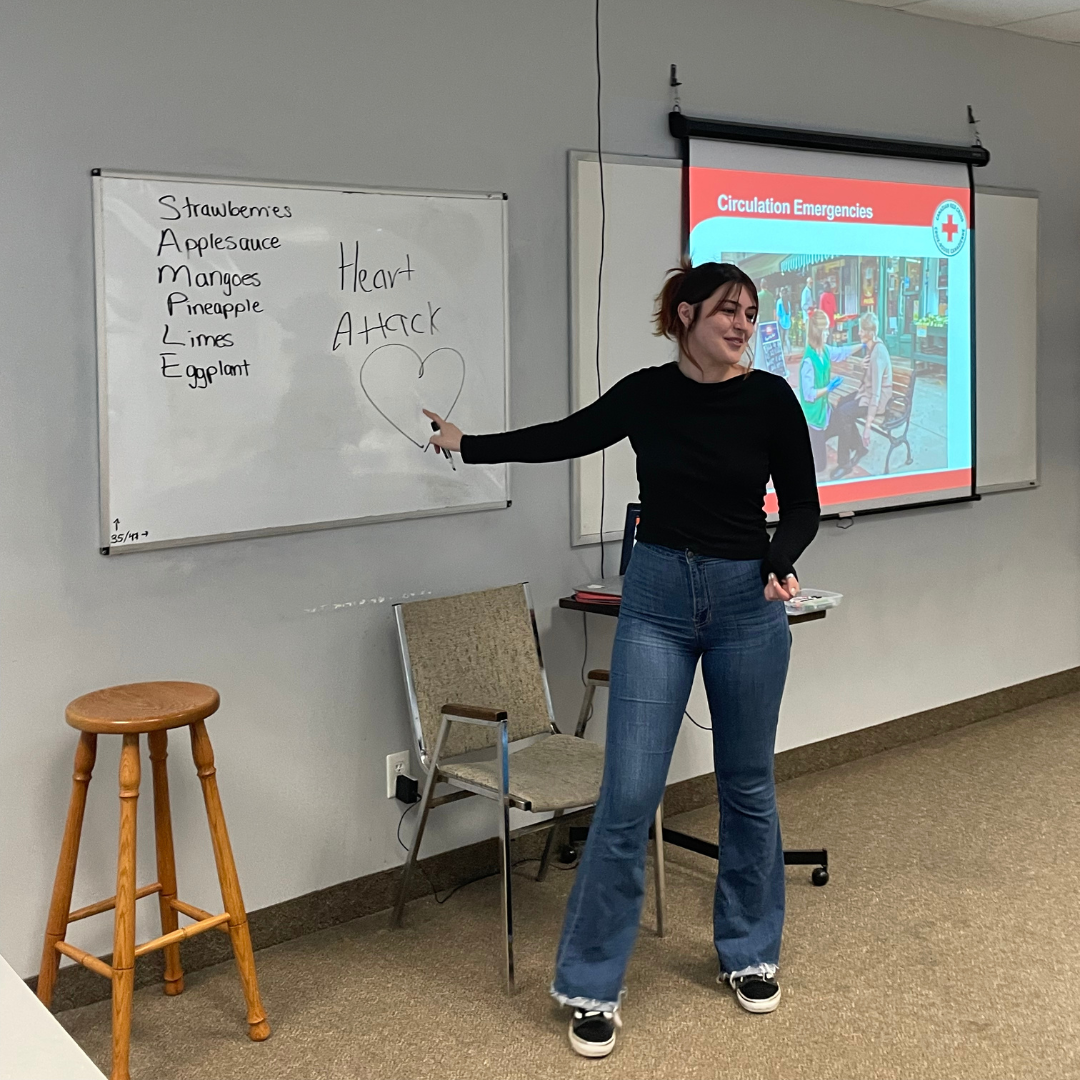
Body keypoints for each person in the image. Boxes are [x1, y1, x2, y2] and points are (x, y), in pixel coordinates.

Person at [426, 261, 820, 1058]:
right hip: (660, 599)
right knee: (627, 794)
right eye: (726, 312)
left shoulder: (771, 398)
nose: (743, 325)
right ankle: (592, 983)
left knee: (747, 785)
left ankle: (748, 952)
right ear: (683, 316)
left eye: (750, 313)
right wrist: (470, 446)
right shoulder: (646, 393)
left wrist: (781, 558)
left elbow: (803, 504)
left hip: (749, 602)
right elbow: (565, 436)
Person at [830, 311, 893, 480]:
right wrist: (862, 367)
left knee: (844, 413)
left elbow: (876, 392)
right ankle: (858, 446)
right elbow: (867, 381)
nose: (859, 332)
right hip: (866, 393)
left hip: (875, 401)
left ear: (871, 332)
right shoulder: (870, 349)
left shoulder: (878, 353)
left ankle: (844, 463)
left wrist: (867, 427)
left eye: (862, 330)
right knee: (841, 403)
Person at [798, 309, 861, 475]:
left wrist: (862, 345)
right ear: (817, 332)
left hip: (824, 410)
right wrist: (829, 388)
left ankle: (857, 450)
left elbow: (841, 353)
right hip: (814, 418)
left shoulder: (824, 349)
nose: (828, 332)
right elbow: (809, 394)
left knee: (845, 416)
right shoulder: (808, 361)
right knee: (820, 467)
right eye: (825, 330)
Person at [776, 286, 792, 353]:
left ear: (780, 293)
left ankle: (782, 351)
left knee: (781, 338)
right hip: (788, 322)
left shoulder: (779, 302)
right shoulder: (788, 302)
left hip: (781, 322)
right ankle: (789, 351)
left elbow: (778, 313)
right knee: (786, 338)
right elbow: (790, 313)